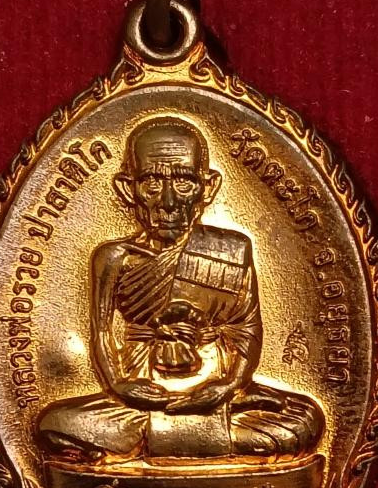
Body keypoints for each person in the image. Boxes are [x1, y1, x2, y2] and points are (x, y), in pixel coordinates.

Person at [37, 116, 323, 462]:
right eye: (152, 183)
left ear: (208, 187)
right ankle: (203, 438)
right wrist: (119, 386)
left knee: (303, 420)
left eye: (184, 182)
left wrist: (229, 385)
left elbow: (245, 328)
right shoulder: (113, 258)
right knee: (55, 423)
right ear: (128, 189)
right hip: (140, 392)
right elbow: (101, 331)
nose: (169, 201)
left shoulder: (232, 250)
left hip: (215, 389)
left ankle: (151, 440)